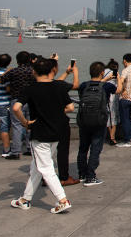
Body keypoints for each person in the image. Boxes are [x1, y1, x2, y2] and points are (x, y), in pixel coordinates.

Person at [9, 58, 73, 214]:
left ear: (34, 71)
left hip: (39, 133)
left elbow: (16, 107)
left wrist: (25, 122)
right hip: (56, 132)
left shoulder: (30, 88)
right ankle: (25, 199)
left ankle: (62, 200)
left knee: (45, 168)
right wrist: (54, 114)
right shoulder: (59, 86)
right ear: (52, 70)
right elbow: (70, 107)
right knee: (37, 167)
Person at [76, 61, 116, 186]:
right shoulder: (106, 86)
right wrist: (118, 78)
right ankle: (91, 176)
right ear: (102, 73)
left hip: (84, 120)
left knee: (83, 148)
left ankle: (82, 174)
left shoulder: (83, 85)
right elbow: (119, 89)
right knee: (95, 148)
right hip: (99, 121)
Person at [0, 51, 36, 157]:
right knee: (30, 124)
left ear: (17, 60)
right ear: (29, 60)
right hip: (31, 101)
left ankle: (16, 151)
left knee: (16, 125)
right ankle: (31, 148)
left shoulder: (13, 71)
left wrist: (7, 71)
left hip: (16, 100)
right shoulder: (33, 72)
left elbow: (0, 80)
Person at [54, 56, 81, 186]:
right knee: (62, 150)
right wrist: (74, 71)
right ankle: (64, 177)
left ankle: (43, 177)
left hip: (41, 125)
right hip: (60, 122)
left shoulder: (35, 85)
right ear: (54, 69)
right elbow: (75, 85)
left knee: (44, 153)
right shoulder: (57, 86)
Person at [116, 53, 131, 147]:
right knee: (128, 119)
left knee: (125, 120)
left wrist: (123, 90)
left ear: (124, 61)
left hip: (125, 99)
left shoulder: (125, 70)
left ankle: (127, 141)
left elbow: (121, 81)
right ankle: (129, 138)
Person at [102, 59, 120, 145]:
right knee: (114, 118)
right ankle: (112, 138)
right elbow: (119, 88)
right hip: (113, 97)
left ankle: (110, 136)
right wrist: (118, 78)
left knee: (108, 118)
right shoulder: (116, 74)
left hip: (104, 97)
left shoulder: (103, 72)